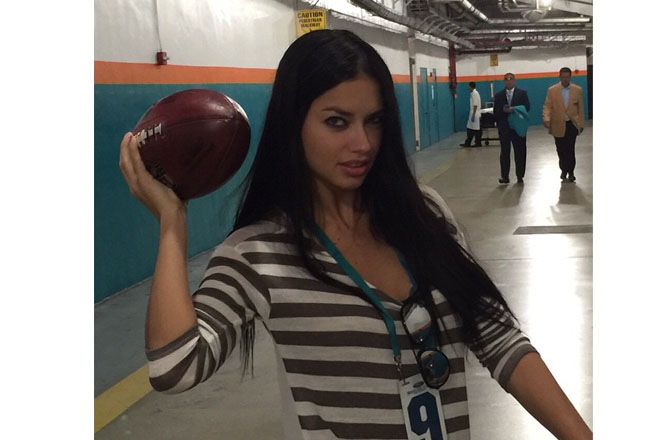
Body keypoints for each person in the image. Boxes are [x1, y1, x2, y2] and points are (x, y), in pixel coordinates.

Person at [119, 30, 592, 440]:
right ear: (293, 125)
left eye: (374, 121)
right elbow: (174, 366)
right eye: (336, 122)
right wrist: (172, 224)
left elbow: (499, 339)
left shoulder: (424, 214)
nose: (362, 144)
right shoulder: (258, 253)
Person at [543, 67, 585, 182]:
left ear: (570, 77)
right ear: (560, 77)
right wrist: (546, 118)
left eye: (567, 77)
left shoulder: (577, 90)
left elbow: (580, 108)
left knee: (570, 148)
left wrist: (581, 124)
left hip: (572, 124)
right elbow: (547, 106)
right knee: (560, 149)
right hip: (557, 123)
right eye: (563, 77)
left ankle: (571, 172)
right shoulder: (552, 90)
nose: (565, 79)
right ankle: (563, 169)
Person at [493, 73, 530, 184]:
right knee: (505, 152)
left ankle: (520, 175)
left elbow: (527, 107)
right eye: (506, 79)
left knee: (520, 151)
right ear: (504, 81)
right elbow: (496, 111)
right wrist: (503, 110)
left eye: (511, 79)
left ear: (514, 80)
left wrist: (515, 109)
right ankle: (505, 176)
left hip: (518, 127)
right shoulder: (499, 96)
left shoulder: (522, 94)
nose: (509, 81)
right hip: (504, 128)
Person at [460, 82, 482, 147]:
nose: (468, 88)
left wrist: (473, 115)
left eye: (469, 86)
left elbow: (475, 105)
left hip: (475, 113)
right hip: (473, 113)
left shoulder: (475, 93)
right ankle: (468, 143)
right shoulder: (473, 93)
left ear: (471, 86)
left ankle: (478, 143)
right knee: (470, 128)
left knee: (476, 129)